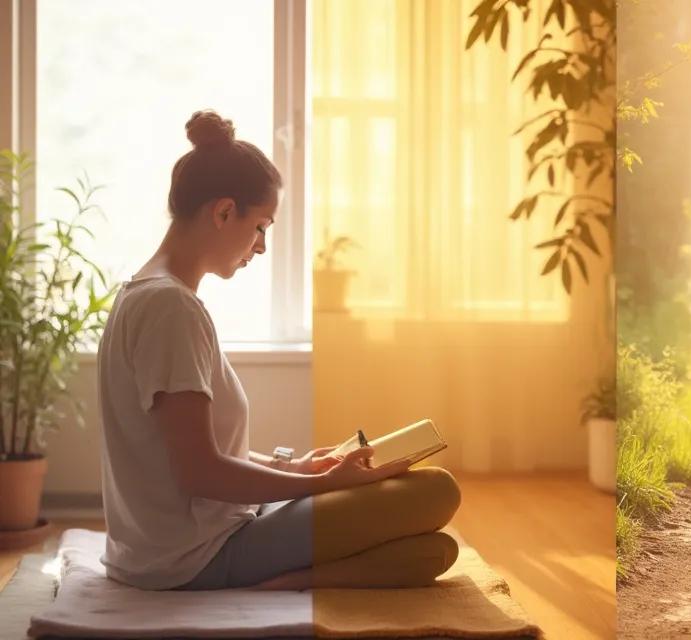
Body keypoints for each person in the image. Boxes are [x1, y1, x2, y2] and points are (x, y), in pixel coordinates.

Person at [98, 110, 461, 591]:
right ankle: (280, 585)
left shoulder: (144, 293)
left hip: (169, 547)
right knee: (436, 492)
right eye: (261, 226)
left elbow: (190, 454)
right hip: (193, 556)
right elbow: (199, 472)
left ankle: (297, 574)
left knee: (435, 550)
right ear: (224, 211)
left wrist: (295, 466)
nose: (262, 246)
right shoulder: (170, 308)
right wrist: (324, 484)